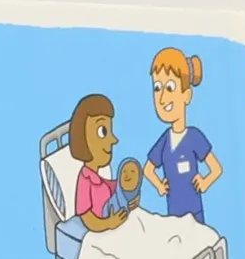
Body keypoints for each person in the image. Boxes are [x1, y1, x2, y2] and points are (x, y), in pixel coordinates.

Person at [143, 47, 222, 223]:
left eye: (170, 87)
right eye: (157, 88)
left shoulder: (194, 137)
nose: (162, 98)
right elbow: (147, 169)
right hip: (173, 214)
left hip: (194, 214)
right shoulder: (165, 141)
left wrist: (205, 182)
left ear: (186, 95)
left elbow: (216, 168)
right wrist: (159, 186)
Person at [66, 92, 134, 233]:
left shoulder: (100, 181)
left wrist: (130, 197)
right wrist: (109, 223)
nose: (113, 140)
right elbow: (88, 219)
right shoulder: (85, 180)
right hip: (99, 233)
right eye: (103, 132)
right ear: (83, 138)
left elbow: (117, 189)